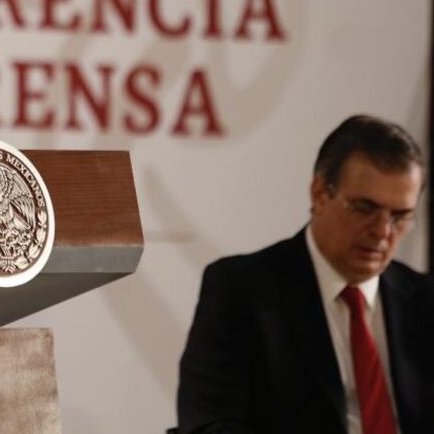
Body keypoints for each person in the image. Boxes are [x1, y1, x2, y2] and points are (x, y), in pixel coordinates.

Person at [176, 115, 433, 433]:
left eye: (400, 216)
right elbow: (209, 424)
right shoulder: (241, 290)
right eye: (364, 208)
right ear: (319, 194)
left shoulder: (424, 300)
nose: (382, 231)